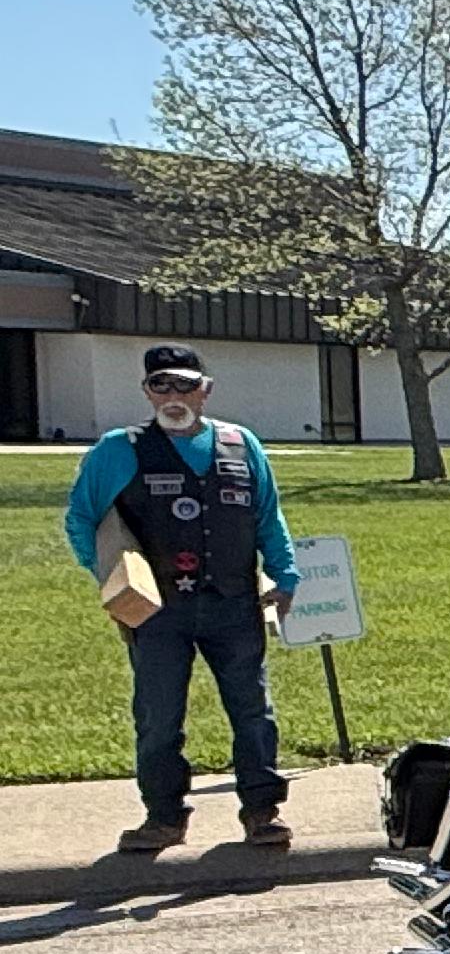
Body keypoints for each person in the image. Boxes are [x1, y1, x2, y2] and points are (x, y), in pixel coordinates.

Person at [63, 343, 298, 855]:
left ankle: (262, 812)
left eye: (185, 385)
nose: (173, 395)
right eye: (160, 385)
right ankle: (163, 817)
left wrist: (284, 575)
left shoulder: (241, 443)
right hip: (156, 612)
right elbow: (80, 519)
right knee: (158, 716)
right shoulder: (117, 448)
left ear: (206, 389)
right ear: (146, 391)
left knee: (253, 711)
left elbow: (268, 517)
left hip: (234, 604)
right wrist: (112, 578)